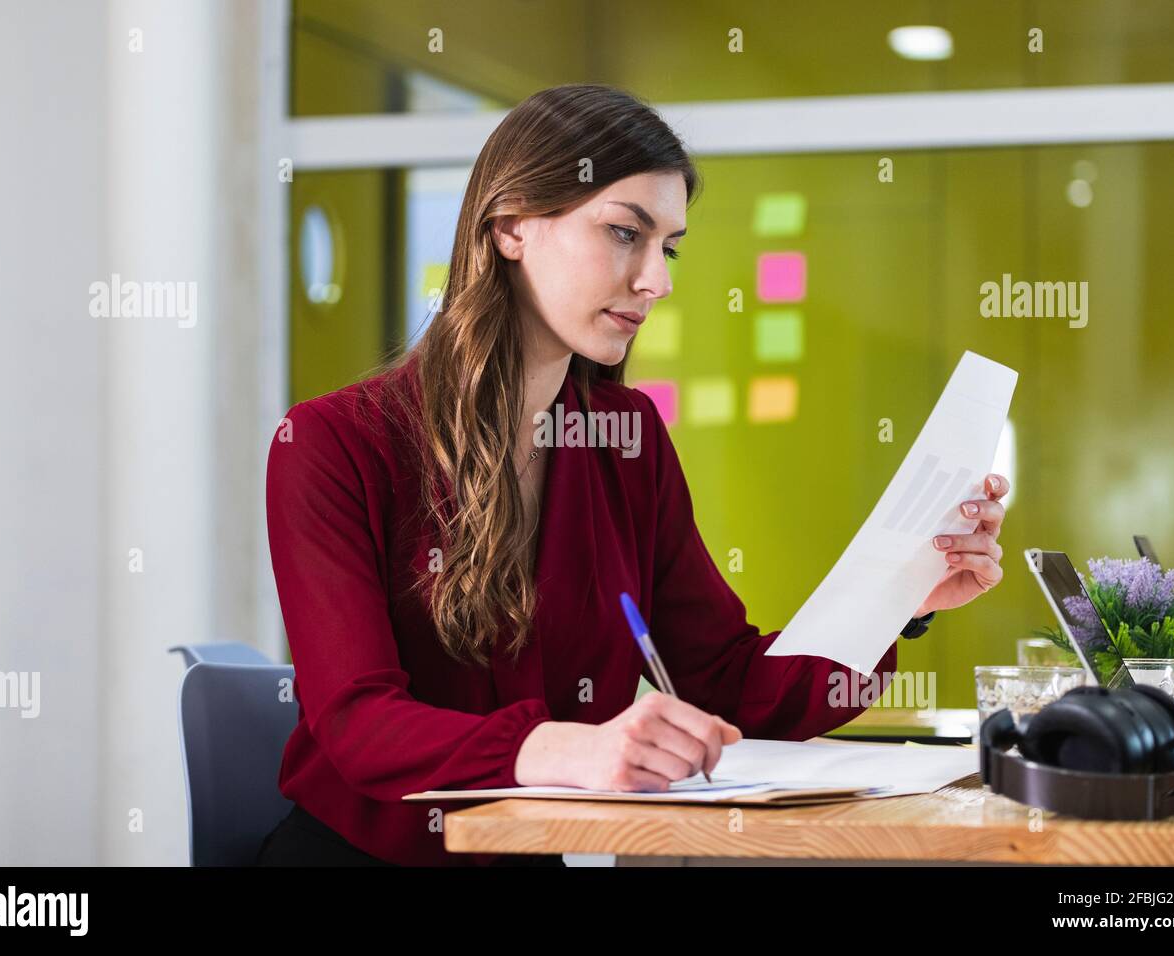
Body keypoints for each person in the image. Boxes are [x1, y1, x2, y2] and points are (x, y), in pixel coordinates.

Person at [256, 83, 1009, 867]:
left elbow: (729, 681)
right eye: (625, 233)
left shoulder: (627, 441)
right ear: (511, 224)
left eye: (669, 247)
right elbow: (359, 723)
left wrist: (899, 595)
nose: (658, 280)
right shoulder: (330, 443)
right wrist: (572, 751)